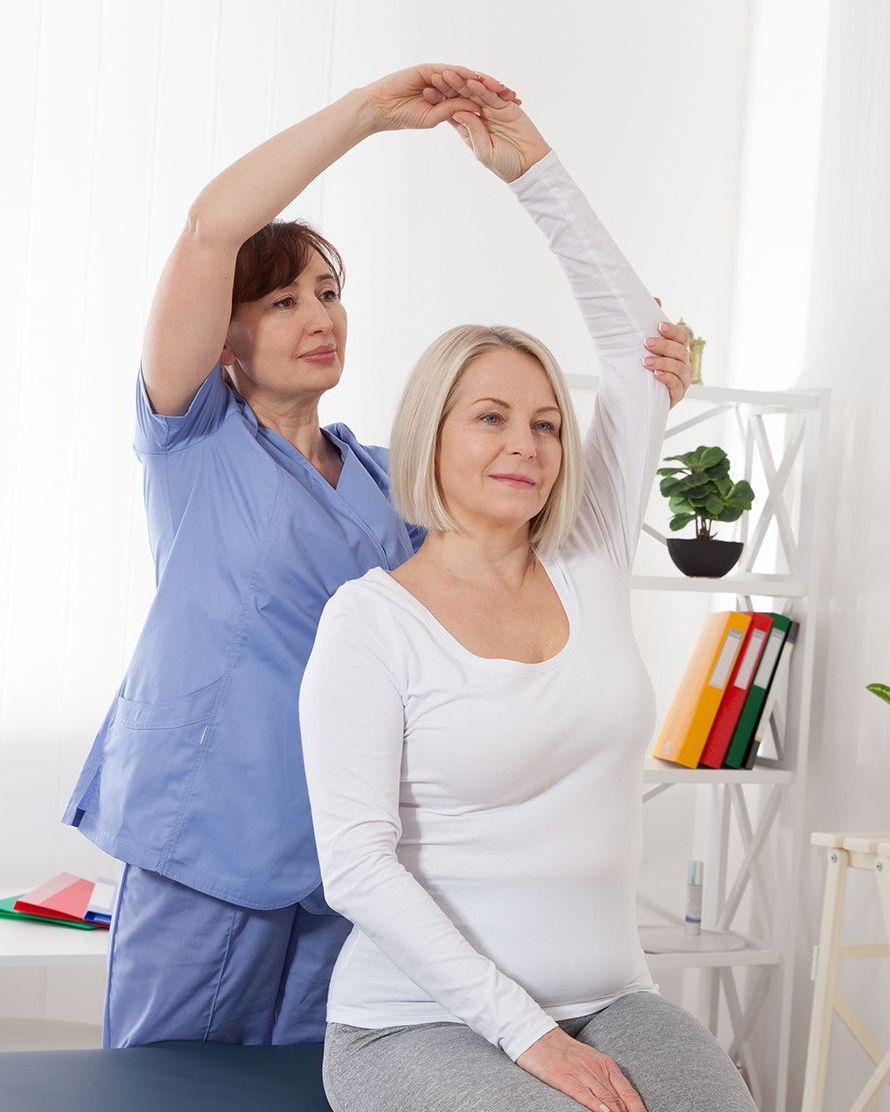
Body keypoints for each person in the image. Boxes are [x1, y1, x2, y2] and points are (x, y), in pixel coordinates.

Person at [63, 65, 688, 1051]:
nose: (318, 317)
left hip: (353, 858)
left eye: (328, 293)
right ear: (222, 331)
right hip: (208, 844)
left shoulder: (393, 477)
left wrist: (652, 389)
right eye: (278, 301)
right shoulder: (192, 440)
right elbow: (208, 229)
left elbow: (518, 479)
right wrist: (366, 116)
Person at [299, 74, 778, 1112]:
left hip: (614, 995)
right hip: (412, 1023)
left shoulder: (588, 549)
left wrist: (531, 168)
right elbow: (357, 869)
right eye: (491, 416)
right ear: (433, 430)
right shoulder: (370, 624)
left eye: (548, 423)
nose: (526, 443)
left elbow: (632, 338)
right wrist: (528, 1035)